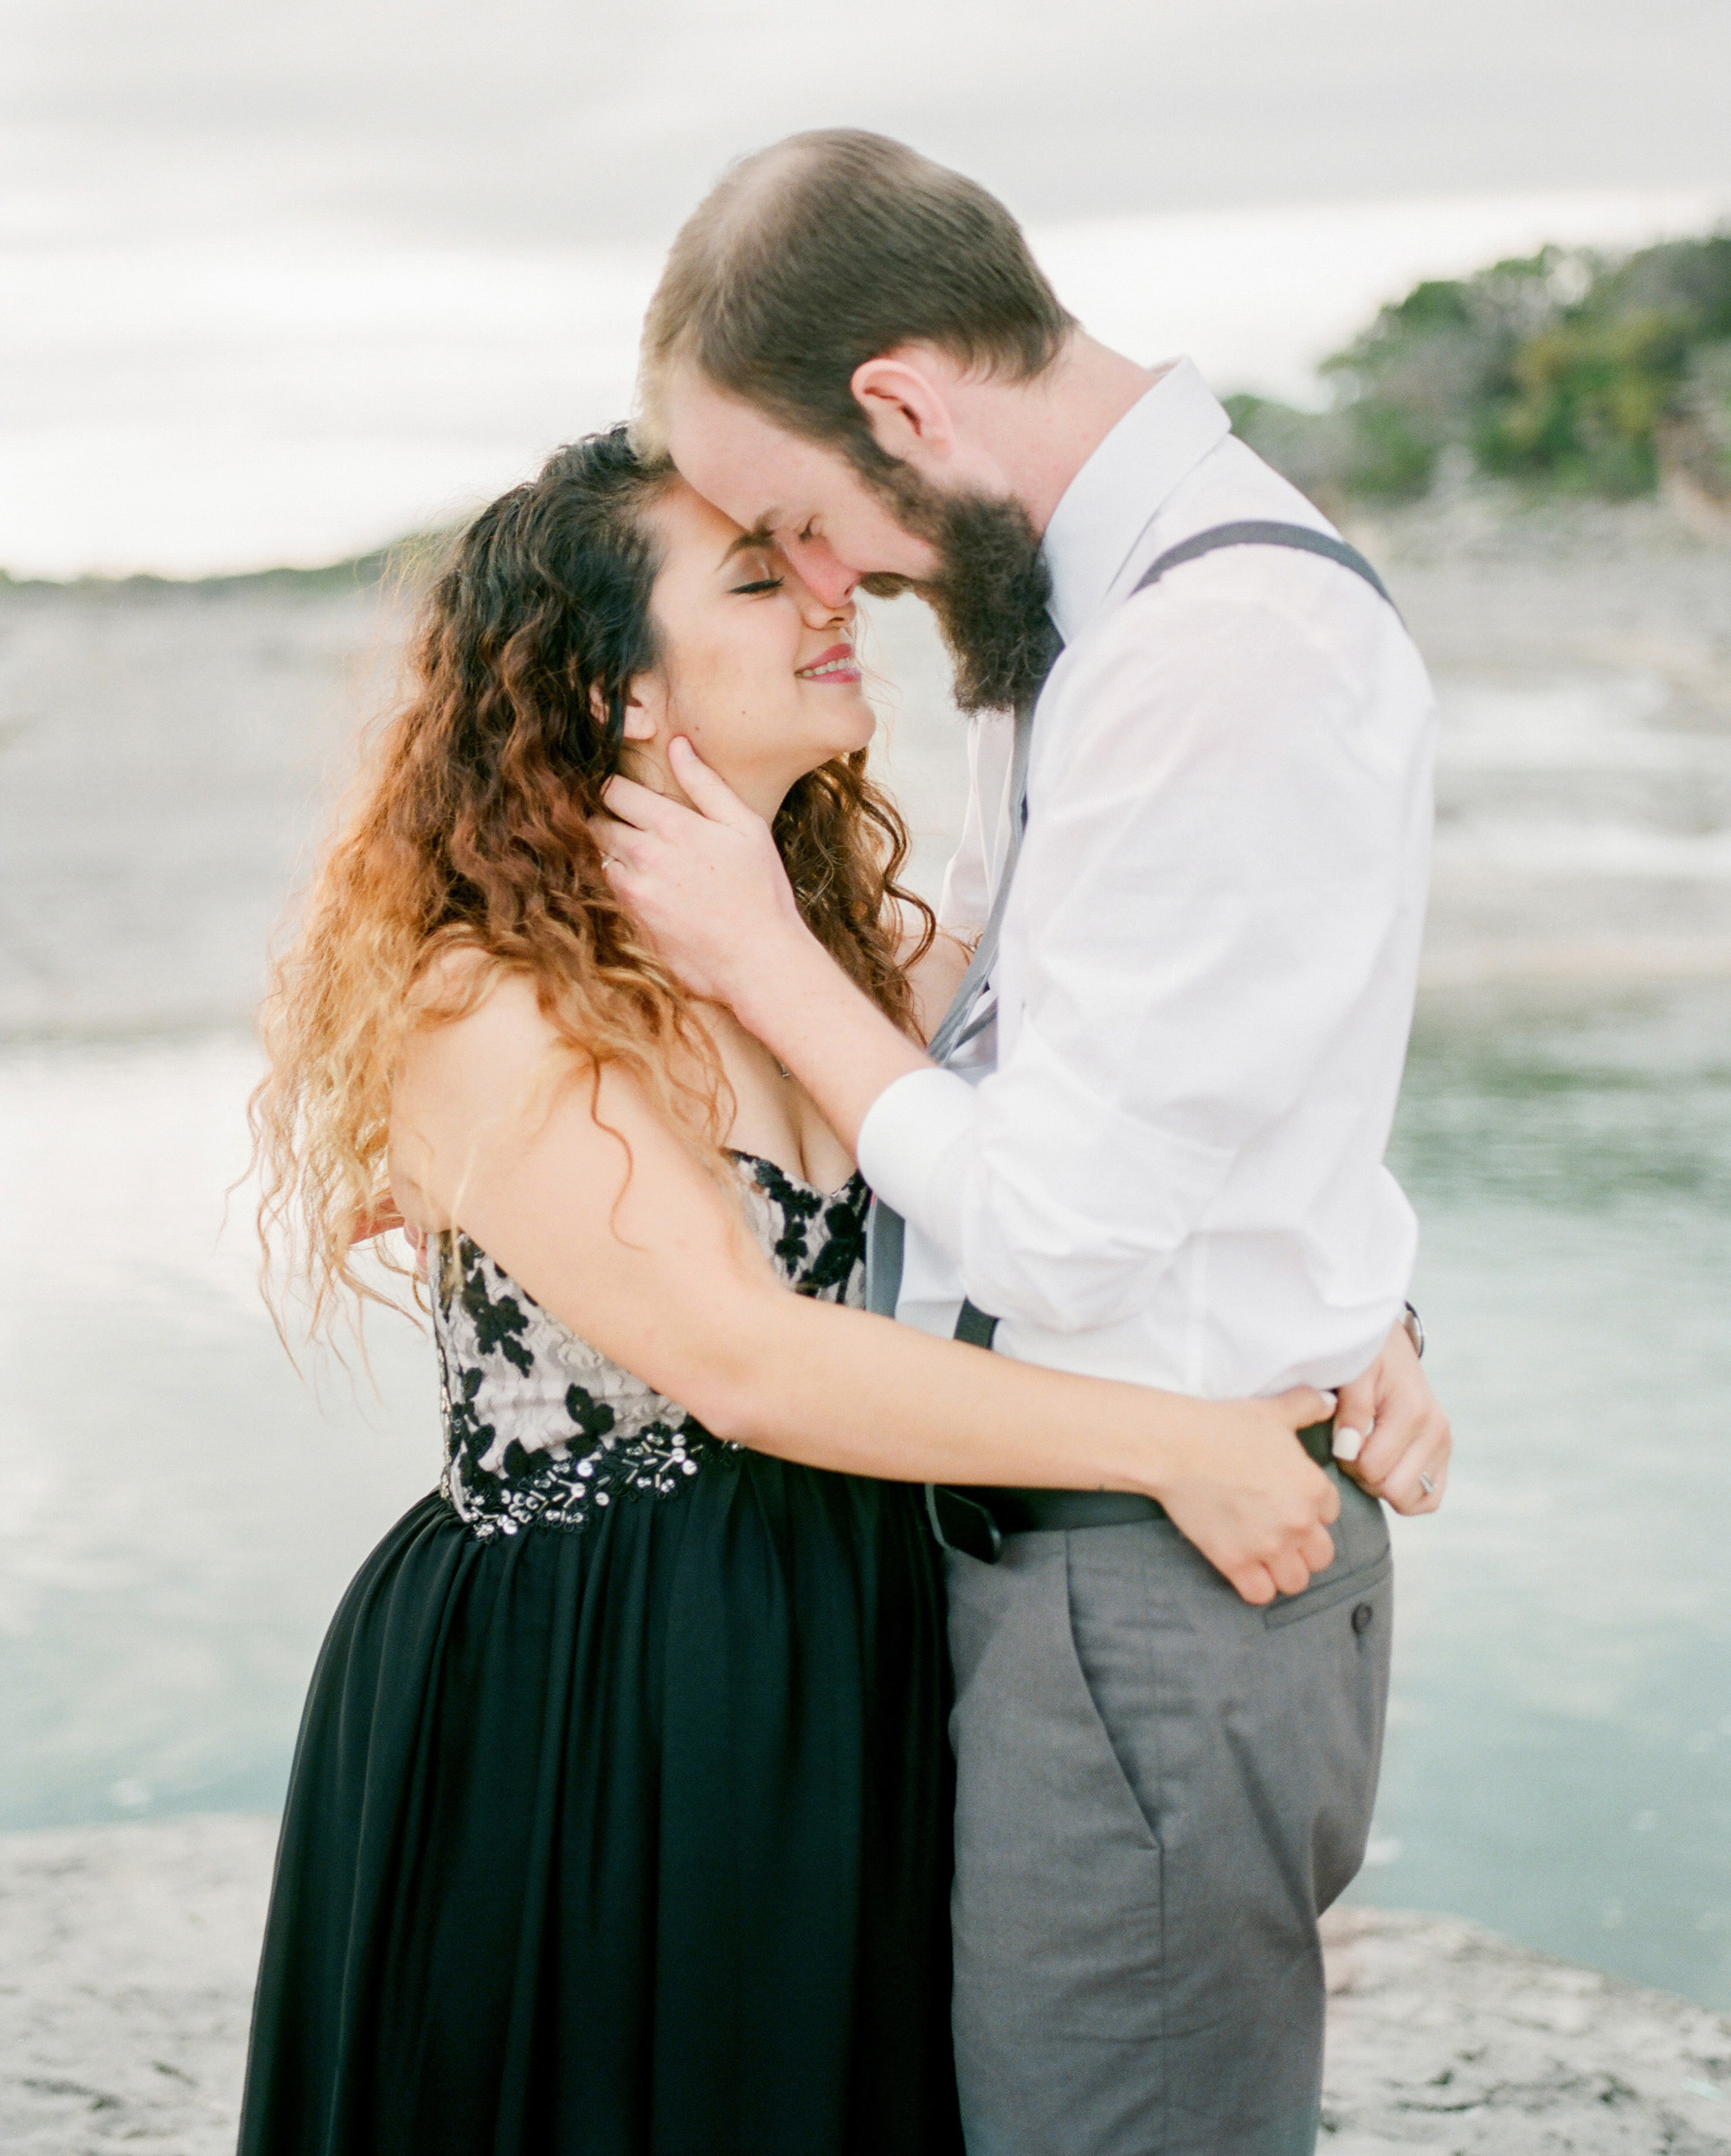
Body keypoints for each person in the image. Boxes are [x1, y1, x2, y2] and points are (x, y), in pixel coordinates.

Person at [238, 424, 1361, 2156]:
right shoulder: (498, 997)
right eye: (760, 581)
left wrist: (1383, 1320)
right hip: (602, 1678)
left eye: (814, 562)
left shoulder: (842, 956)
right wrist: (1181, 1444)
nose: (833, 598)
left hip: (846, 1622)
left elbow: (1172, 1123)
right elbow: (747, 1363)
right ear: (613, 686)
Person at [597, 130, 1453, 2156]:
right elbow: (1085, 1035)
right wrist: (1349, 1269)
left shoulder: (1205, 648)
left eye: (803, 520)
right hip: (1087, 1541)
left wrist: (756, 950)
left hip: (1151, 1573)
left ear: (900, 402)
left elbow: (1062, 1224)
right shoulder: (1077, 610)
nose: (825, 585)